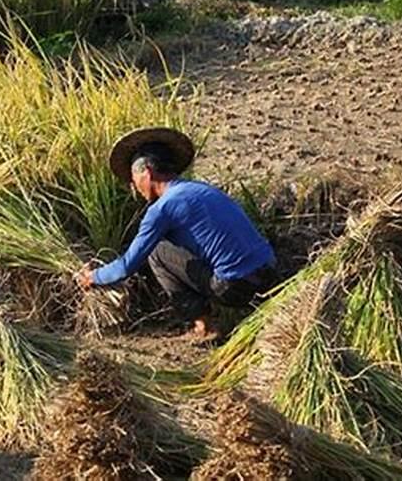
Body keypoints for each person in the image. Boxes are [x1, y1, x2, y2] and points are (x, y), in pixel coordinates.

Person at [76, 127, 277, 336]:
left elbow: (128, 266)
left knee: (156, 252)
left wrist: (94, 276)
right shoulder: (202, 189)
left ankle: (204, 327)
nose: (134, 187)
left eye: (133, 178)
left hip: (235, 287)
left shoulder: (162, 208)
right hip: (270, 272)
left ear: (147, 172)